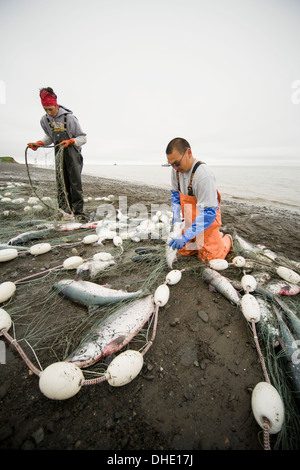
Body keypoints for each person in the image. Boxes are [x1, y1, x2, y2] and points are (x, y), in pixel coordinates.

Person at [166, 137, 232, 262]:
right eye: (171, 164)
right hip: (190, 219)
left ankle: (227, 240)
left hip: (207, 221)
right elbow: (175, 194)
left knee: (209, 258)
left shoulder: (203, 176)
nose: (175, 167)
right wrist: (176, 213)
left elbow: (209, 214)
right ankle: (202, 238)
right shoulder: (176, 171)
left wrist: (186, 236)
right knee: (184, 251)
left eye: (177, 163)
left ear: (188, 153)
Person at [27, 87, 87, 220]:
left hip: (72, 152)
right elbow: (49, 137)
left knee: (75, 183)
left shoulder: (69, 118)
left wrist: (71, 141)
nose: (49, 112)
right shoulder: (45, 120)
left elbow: (83, 138)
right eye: (45, 109)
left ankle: (78, 212)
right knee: (61, 182)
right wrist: (39, 143)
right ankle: (65, 210)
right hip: (58, 153)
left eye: (51, 109)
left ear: (56, 104)